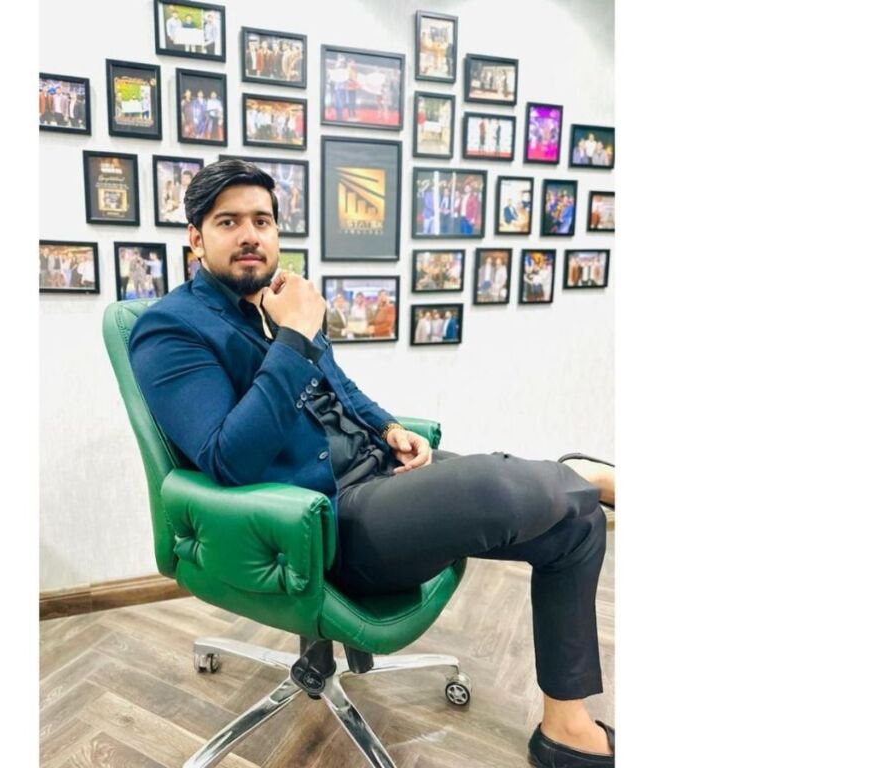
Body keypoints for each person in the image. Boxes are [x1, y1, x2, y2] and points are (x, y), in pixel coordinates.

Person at [128, 160, 616, 767]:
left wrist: (387, 427)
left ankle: (565, 730)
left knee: (576, 524)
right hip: (325, 517)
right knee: (500, 487)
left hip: (378, 472)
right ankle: (588, 474)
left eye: (262, 220)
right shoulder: (169, 329)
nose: (250, 235)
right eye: (229, 222)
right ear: (196, 239)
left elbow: (339, 387)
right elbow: (230, 458)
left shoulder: (281, 301)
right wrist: (295, 338)